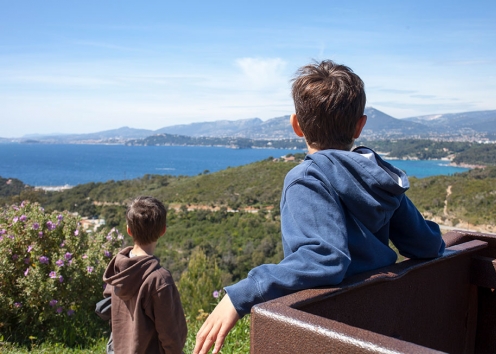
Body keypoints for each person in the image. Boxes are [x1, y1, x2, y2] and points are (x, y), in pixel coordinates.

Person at [194, 60, 445, 354]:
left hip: (334, 329)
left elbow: (324, 258)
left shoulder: (306, 178)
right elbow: (427, 244)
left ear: (296, 125)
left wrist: (242, 294)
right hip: (384, 323)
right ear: (359, 126)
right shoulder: (379, 177)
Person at [103, 196, 187, 354]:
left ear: (129, 230)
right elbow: (170, 334)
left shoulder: (118, 267)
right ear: (163, 231)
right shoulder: (159, 279)